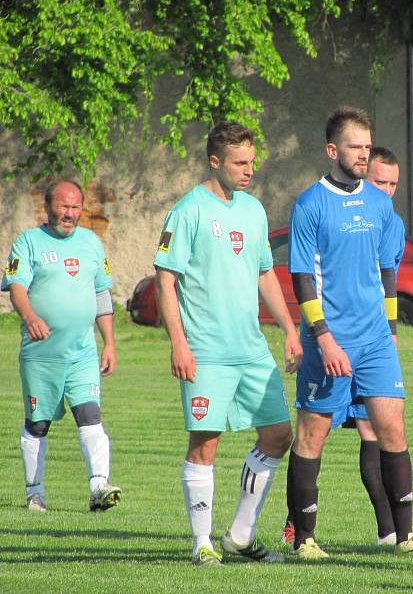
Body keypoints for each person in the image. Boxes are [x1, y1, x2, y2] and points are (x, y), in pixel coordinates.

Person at [286, 107, 413, 560]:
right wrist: (324, 338)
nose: (364, 154)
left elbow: (388, 271)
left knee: (392, 427)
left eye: (368, 146)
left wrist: (390, 331)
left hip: (375, 341)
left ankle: (402, 536)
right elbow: (301, 279)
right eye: (356, 146)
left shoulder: (379, 203)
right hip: (329, 339)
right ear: (333, 150)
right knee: (312, 435)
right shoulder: (310, 204)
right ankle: (305, 538)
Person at [154, 121, 302, 567]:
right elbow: (165, 280)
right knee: (206, 443)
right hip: (206, 352)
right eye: (239, 163)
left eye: (252, 162)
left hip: (252, 351)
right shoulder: (186, 211)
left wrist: (290, 328)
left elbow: (263, 273)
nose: (248, 170)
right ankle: (202, 543)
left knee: (279, 435)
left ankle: (239, 535)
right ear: (214, 161)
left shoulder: (253, 210)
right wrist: (179, 343)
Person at [1, 180, 121, 513]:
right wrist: (30, 317)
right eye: (63, 206)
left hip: (82, 353)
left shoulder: (91, 244)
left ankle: (99, 488)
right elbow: (17, 287)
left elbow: (101, 294)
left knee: (90, 415)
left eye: (75, 207)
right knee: (38, 424)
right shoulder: (29, 243)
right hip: (41, 356)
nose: (69, 214)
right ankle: (35, 492)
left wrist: (109, 342)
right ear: (48, 206)